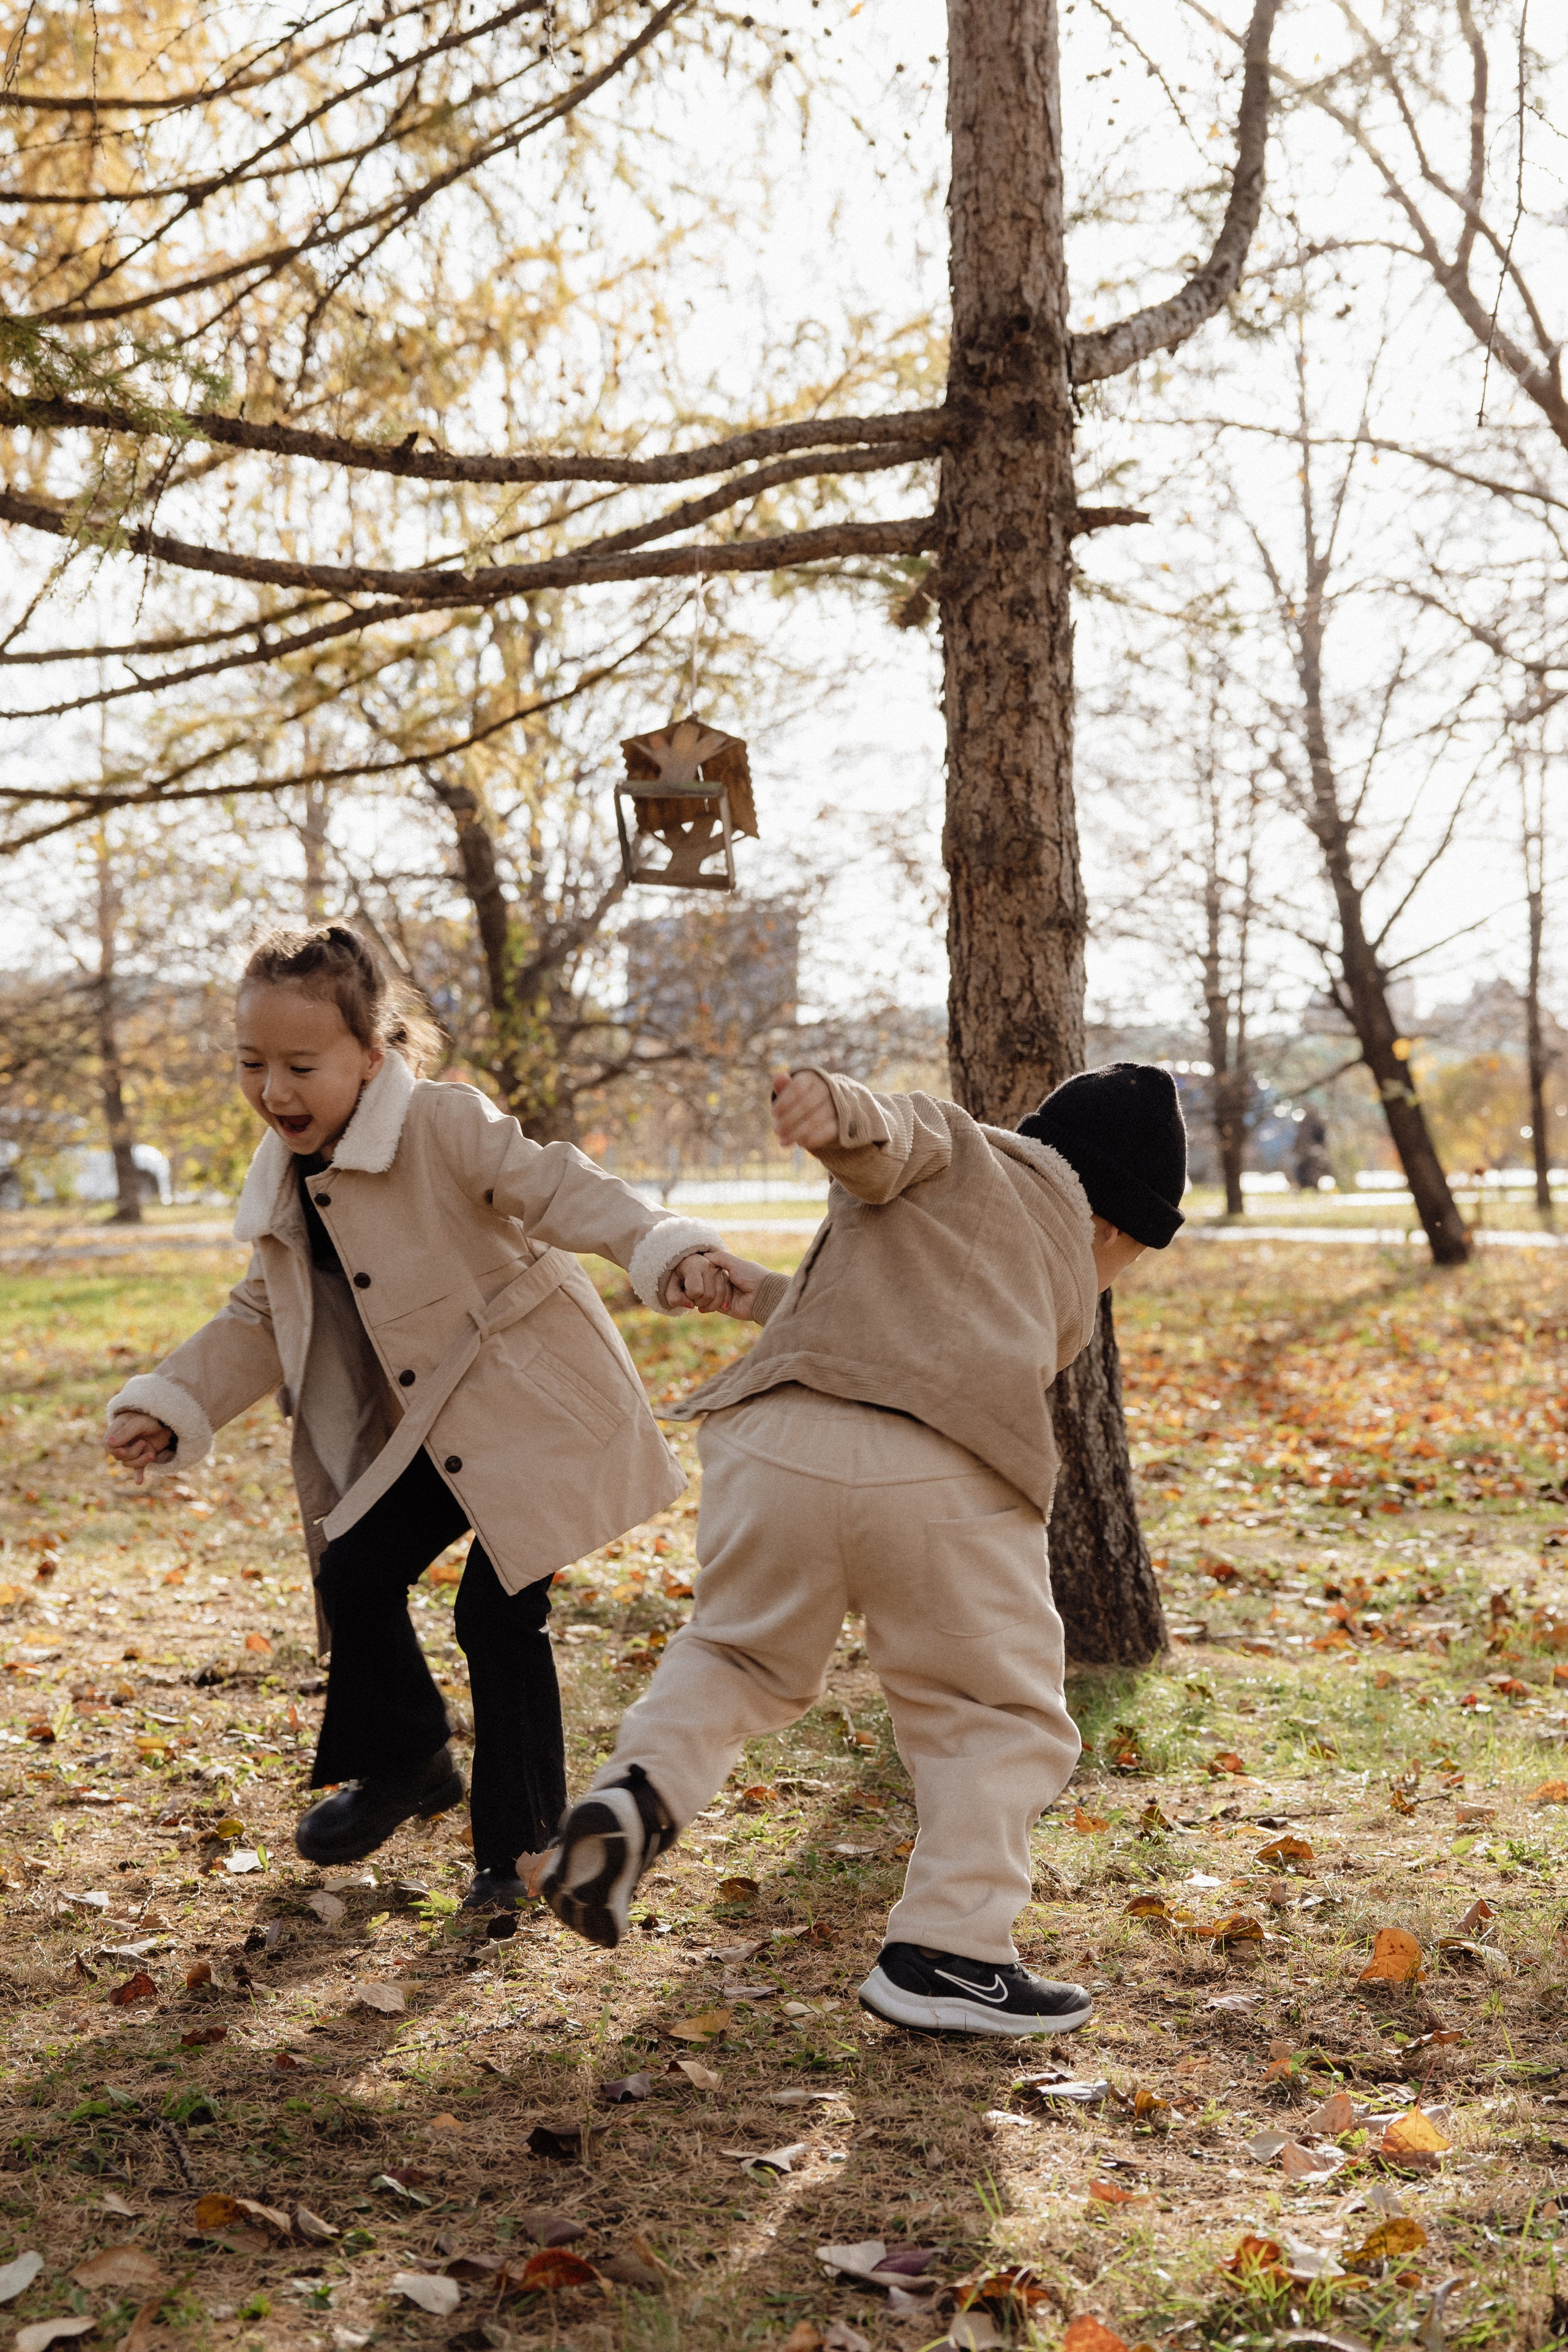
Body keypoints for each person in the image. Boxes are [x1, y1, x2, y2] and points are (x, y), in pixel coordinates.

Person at [541, 1060, 1186, 2036]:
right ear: (1111, 1224)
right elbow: (895, 1132)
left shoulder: (955, 1181)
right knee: (990, 1711)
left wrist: (765, 1290)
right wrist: (833, 1112)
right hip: (941, 1470)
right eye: (1128, 1258)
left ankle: (637, 1799)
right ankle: (950, 1951)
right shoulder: (976, 1152)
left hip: (774, 1445)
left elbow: (881, 1292)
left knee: (736, 1654)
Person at [104, 924, 734, 1909]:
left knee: (498, 1611)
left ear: (373, 1052)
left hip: (533, 1402)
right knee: (354, 1567)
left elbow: (561, 1184)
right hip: (435, 1420)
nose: (274, 1091)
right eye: (252, 1064)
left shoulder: (443, 1124)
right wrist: (172, 1401)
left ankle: (518, 1854)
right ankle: (409, 1763)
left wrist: (664, 1247)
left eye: (301, 1066)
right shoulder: (286, 1178)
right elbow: (263, 1312)